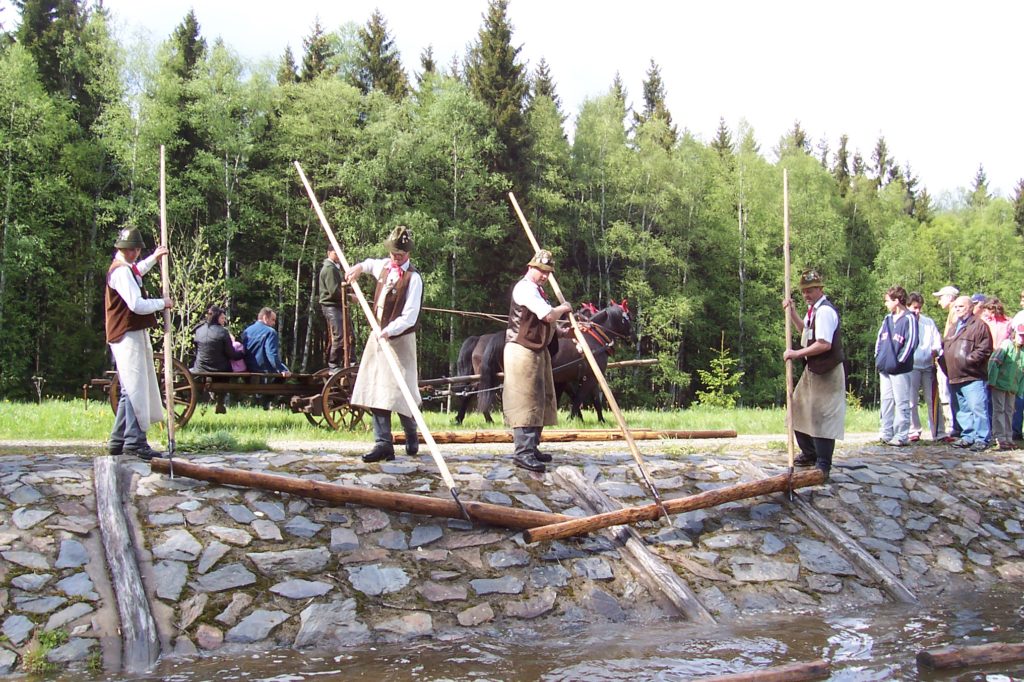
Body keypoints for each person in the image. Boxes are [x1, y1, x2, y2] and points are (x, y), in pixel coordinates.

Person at [346, 226, 424, 463]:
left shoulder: (414, 279)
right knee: (378, 389)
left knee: (403, 392)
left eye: (400, 254)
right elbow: (369, 263)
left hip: (400, 341)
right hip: (379, 338)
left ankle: (412, 434)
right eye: (393, 253)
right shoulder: (384, 266)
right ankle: (383, 444)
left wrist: (388, 331)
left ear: (408, 253)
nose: (395, 257)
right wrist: (358, 268)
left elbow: (410, 316)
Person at [105, 227, 173, 461]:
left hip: (125, 333)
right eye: (135, 249)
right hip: (126, 334)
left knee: (128, 389)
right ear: (128, 249)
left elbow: (137, 271)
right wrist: (162, 303)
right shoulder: (121, 272)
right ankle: (134, 442)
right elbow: (136, 304)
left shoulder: (125, 268)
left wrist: (154, 258)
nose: (136, 253)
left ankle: (118, 440)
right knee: (136, 388)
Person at [502, 249, 572, 473]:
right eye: (541, 270)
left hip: (536, 351)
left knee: (540, 399)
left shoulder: (538, 291)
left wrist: (562, 332)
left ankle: (532, 447)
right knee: (525, 401)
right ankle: (522, 452)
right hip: (521, 351)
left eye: (547, 272)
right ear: (530, 267)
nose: (544, 275)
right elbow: (548, 315)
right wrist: (565, 308)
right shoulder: (524, 289)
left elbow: (544, 323)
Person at [782, 269, 845, 479]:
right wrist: (792, 314)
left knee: (822, 416)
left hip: (827, 371)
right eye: (804, 291)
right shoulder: (813, 311)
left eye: (811, 290)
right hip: (813, 370)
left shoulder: (825, 311)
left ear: (820, 289)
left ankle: (823, 464)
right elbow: (806, 334)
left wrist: (796, 354)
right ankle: (809, 453)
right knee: (797, 408)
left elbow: (824, 344)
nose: (807, 294)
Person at [942, 295, 993, 451]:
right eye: (956, 307)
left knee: (978, 408)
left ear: (971, 308)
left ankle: (982, 438)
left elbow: (984, 349)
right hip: (955, 375)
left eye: (961, 306)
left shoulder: (979, 326)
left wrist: (968, 361)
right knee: (963, 410)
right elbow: (946, 347)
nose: (957, 309)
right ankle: (968, 436)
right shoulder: (953, 327)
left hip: (973, 375)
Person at [874, 286, 918, 446]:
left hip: (900, 369)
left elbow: (912, 342)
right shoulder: (887, 319)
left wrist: (900, 361)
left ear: (897, 300)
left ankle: (901, 435)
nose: (885, 304)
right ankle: (886, 432)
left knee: (901, 401)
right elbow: (879, 339)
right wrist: (878, 358)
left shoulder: (909, 319)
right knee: (886, 400)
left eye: (887, 301)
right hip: (884, 368)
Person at [907, 292, 944, 441]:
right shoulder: (905, 322)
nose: (917, 311)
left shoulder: (928, 322)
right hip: (911, 366)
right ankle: (913, 430)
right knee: (911, 400)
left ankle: (939, 431)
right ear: (908, 306)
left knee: (933, 400)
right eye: (915, 307)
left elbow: (937, 341)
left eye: (920, 308)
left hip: (928, 366)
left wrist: (935, 350)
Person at [988, 324, 1024, 450]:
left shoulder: (1023, 351)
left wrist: (1020, 389)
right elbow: (994, 362)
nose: (1022, 338)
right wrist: (992, 380)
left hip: (1012, 387)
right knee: (999, 410)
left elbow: (1022, 371)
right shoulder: (1006, 345)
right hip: (1000, 383)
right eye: (1021, 335)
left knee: (1009, 412)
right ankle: (999, 437)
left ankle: (1009, 437)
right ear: (1015, 334)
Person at [933, 285, 960, 442]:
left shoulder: (955, 313)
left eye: (941, 298)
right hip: (950, 360)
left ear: (950, 297)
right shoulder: (952, 313)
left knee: (951, 394)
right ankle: (955, 426)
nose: (939, 302)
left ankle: (956, 427)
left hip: (953, 361)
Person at [191, 305, 243, 373]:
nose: (224, 320)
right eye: (222, 318)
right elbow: (231, 355)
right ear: (216, 318)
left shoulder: (198, 330)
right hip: (219, 369)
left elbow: (197, 351)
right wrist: (242, 353)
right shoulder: (223, 332)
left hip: (200, 369)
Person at [319, 247, 345, 373]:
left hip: (335, 305)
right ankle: (333, 364)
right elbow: (334, 292)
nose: (338, 255)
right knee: (339, 335)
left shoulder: (334, 268)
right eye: (336, 252)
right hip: (331, 306)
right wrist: (349, 297)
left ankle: (346, 361)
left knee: (346, 334)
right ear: (329, 253)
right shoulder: (330, 268)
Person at [242, 307, 291, 375]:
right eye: (273, 320)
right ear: (265, 318)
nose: (274, 323)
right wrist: (281, 369)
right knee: (286, 374)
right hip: (264, 371)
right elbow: (271, 354)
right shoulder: (270, 332)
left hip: (247, 371)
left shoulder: (246, 331)